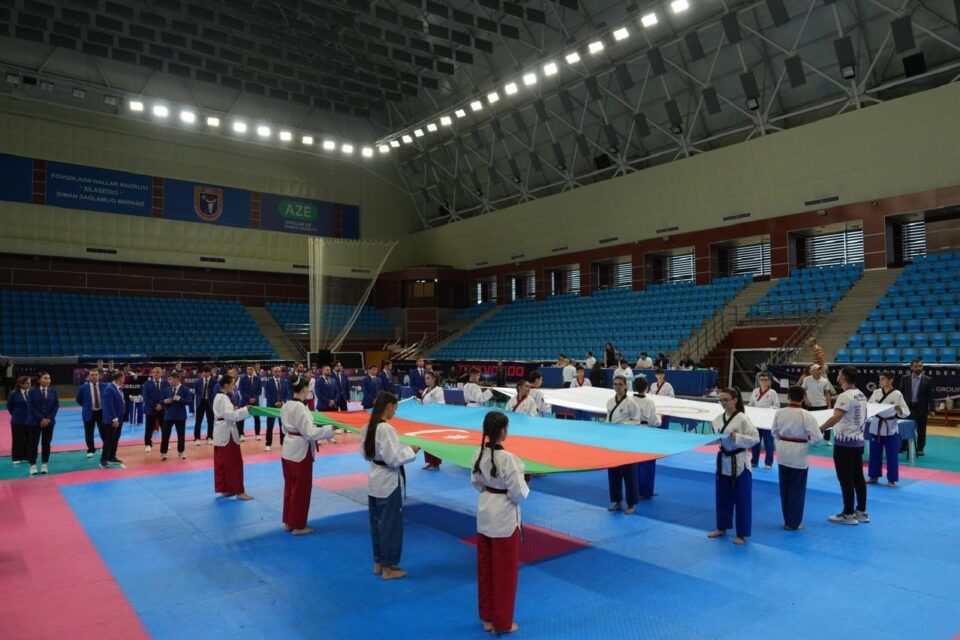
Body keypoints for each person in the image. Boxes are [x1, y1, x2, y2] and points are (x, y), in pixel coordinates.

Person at [471, 411, 529, 635]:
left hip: (485, 511)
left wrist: (491, 491)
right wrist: (525, 483)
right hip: (504, 518)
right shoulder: (509, 459)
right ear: (503, 431)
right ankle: (502, 623)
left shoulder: (478, 453)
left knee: (485, 569)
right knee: (504, 572)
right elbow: (518, 493)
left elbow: (476, 482)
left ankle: (488, 618)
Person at [362, 392, 420, 580]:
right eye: (395, 408)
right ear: (389, 406)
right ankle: (388, 568)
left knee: (376, 523)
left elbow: (365, 453)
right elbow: (393, 459)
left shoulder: (368, 426)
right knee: (390, 525)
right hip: (388, 481)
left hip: (374, 478)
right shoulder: (386, 429)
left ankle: (379, 562)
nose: (395, 412)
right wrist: (411, 450)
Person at [281, 376, 336, 535]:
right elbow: (309, 433)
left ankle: (289, 522)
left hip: (288, 448)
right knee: (301, 489)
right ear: (304, 389)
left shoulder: (286, 405)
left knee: (290, 487)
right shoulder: (300, 408)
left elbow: (285, 429)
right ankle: (298, 526)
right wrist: (330, 429)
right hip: (300, 450)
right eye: (308, 386)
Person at [818, 365, 869, 525]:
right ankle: (861, 511)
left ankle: (848, 514)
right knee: (858, 477)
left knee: (845, 479)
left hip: (845, 443)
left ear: (844, 378)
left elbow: (836, 417)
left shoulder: (845, 396)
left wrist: (820, 428)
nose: (838, 377)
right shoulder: (861, 394)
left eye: (840, 374)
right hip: (858, 441)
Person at [707, 387, 759, 544]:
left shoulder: (742, 418)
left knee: (742, 499)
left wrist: (738, 437)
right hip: (723, 461)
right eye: (720, 400)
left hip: (740, 463)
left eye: (725, 400)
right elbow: (717, 438)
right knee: (722, 497)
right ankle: (721, 528)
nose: (723, 402)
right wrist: (702, 439)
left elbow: (755, 438)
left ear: (735, 400)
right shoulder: (717, 419)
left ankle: (741, 534)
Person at [770, 385, 824, 530]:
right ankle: (793, 523)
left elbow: (774, 432)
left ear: (788, 397)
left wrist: (783, 440)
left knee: (785, 489)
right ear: (804, 398)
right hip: (799, 456)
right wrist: (809, 439)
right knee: (797, 490)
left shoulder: (779, 412)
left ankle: (787, 520)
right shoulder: (807, 415)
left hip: (782, 453)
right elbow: (818, 438)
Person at [212, 375, 253, 500]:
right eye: (232, 383)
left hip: (220, 431)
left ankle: (225, 489)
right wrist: (245, 410)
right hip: (227, 433)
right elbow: (230, 415)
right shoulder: (224, 397)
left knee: (222, 463)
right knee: (234, 464)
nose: (234, 386)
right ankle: (239, 492)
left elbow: (226, 413)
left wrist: (236, 410)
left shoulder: (218, 396)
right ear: (226, 385)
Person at [606, 375, 643, 514]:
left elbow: (637, 421)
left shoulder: (631, 403)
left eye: (620, 384)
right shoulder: (610, 402)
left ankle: (631, 504)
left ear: (625, 386)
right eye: (615, 384)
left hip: (627, 443)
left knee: (629, 474)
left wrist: (622, 425)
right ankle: (617, 501)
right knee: (613, 473)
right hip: (613, 442)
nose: (617, 387)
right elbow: (608, 418)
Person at [867, 371, 910, 487]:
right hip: (876, 426)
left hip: (890, 428)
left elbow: (906, 411)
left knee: (892, 455)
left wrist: (899, 409)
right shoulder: (876, 392)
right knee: (874, 454)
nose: (880, 381)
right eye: (880, 379)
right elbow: (869, 406)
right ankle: (873, 476)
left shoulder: (897, 394)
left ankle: (892, 479)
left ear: (890, 380)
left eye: (883, 379)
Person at [899, 359, 935, 456]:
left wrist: (932, 409)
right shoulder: (905, 378)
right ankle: (904, 446)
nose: (918, 368)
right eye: (916, 366)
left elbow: (930, 396)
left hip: (922, 408)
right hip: (907, 407)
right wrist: (899, 406)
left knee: (921, 430)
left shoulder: (928, 379)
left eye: (920, 366)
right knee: (905, 428)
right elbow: (900, 393)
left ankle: (920, 448)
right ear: (911, 367)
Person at [632, 377, 661, 500]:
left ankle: (637, 489)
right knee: (648, 463)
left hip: (633, 432)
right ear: (647, 388)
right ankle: (646, 491)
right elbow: (654, 421)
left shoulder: (629, 400)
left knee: (635, 462)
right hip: (646, 433)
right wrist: (660, 418)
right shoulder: (649, 402)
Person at [26, 372, 59, 476]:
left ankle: (44, 464)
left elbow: (56, 406)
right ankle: (33, 465)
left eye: (49, 378)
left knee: (46, 443)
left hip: (49, 422)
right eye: (45, 378)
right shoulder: (32, 392)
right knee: (33, 444)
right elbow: (30, 407)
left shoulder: (53, 391)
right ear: (39, 380)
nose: (48, 380)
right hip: (34, 422)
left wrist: (48, 418)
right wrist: (41, 419)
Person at [748, 372, 781, 469]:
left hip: (767, 422)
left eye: (765, 380)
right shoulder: (755, 391)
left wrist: (768, 410)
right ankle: (754, 461)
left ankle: (768, 463)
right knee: (755, 442)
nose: (763, 382)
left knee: (768, 443)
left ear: (769, 381)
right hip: (756, 421)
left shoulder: (772, 392)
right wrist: (748, 407)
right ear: (758, 381)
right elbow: (751, 403)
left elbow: (777, 406)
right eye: (761, 380)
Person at [76, 369, 106, 459]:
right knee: (89, 433)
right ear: (89, 377)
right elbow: (79, 400)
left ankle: (106, 447)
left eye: (96, 375)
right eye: (92, 375)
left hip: (102, 412)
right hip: (89, 412)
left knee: (104, 431)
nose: (94, 376)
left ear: (99, 376)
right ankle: (91, 450)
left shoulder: (105, 386)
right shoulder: (82, 388)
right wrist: (86, 406)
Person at [161, 372, 191, 461]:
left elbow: (190, 402)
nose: (169, 381)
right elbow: (161, 400)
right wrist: (165, 401)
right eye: (168, 379)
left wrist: (179, 399)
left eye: (170, 379)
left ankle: (181, 452)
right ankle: (163, 453)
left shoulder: (185, 389)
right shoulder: (167, 389)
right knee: (165, 435)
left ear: (177, 379)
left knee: (181, 435)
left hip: (180, 416)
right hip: (168, 415)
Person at [100, 371, 126, 470]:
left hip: (119, 419)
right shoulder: (109, 389)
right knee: (109, 440)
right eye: (123, 377)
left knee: (115, 438)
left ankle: (111, 456)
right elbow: (108, 406)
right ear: (120, 378)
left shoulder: (118, 388)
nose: (124, 379)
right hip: (112, 420)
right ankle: (103, 459)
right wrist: (114, 419)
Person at [801, 365, 833, 444]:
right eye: (817, 370)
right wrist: (806, 400)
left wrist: (829, 406)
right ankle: (814, 438)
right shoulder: (806, 379)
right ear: (812, 371)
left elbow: (827, 394)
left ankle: (827, 439)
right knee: (811, 423)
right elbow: (803, 391)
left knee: (826, 422)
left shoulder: (825, 381)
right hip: (810, 405)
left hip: (823, 404)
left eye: (820, 370)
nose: (819, 371)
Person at [420, 371, 445, 470]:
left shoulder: (438, 390)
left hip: (434, 420)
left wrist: (431, 409)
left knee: (434, 441)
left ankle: (435, 463)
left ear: (434, 379)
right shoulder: (426, 389)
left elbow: (441, 404)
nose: (426, 380)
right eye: (425, 378)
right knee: (426, 441)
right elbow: (424, 403)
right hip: (426, 419)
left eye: (428, 378)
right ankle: (430, 462)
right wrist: (417, 400)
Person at [141, 367, 168, 454]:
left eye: (157, 372)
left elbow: (168, 396)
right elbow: (145, 397)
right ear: (152, 373)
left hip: (163, 409)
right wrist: (155, 406)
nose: (155, 374)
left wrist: (161, 405)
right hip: (150, 409)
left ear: (161, 373)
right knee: (149, 428)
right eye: (154, 372)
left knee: (164, 428)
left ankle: (165, 443)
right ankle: (148, 444)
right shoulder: (147, 384)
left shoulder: (166, 383)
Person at [264, 366, 290, 452]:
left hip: (282, 407)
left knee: (282, 425)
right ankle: (268, 444)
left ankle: (283, 443)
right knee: (270, 426)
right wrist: (275, 402)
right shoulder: (268, 383)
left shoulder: (285, 382)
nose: (277, 373)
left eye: (279, 371)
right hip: (271, 407)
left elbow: (287, 394)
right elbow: (267, 395)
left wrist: (282, 402)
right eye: (275, 371)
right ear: (272, 372)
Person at [7, 375, 31, 465]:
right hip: (18, 420)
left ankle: (27, 456)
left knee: (29, 439)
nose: (29, 385)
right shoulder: (13, 393)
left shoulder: (32, 393)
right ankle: (16, 457)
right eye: (27, 383)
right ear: (21, 384)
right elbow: (10, 406)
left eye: (30, 383)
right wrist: (16, 414)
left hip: (30, 420)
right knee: (17, 439)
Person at [193, 365, 218, 445]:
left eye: (207, 372)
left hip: (210, 403)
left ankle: (210, 437)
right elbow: (196, 392)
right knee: (198, 421)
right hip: (200, 402)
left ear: (210, 373)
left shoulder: (214, 382)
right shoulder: (198, 382)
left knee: (210, 420)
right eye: (203, 372)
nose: (205, 373)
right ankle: (197, 438)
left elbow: (216, 393)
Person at [239, 365, 263, 440]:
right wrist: (249, 398)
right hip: (245, 401)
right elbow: (241, 390)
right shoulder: (242, 379)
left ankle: (257, 434)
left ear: (253, 370)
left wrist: (254, 398)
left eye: (250, 369)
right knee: (242, 418)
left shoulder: (257, 379)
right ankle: (241, 434)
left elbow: (259, 390)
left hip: (255, 401)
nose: (249, 370)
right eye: (248, 369)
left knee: (257, 418)